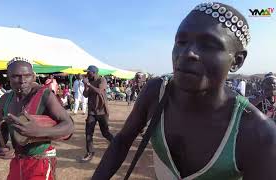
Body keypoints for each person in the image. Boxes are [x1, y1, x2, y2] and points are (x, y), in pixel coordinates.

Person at [93, 2, 276, 180]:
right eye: (181, 41)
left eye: (209, 45)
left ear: (237, 61)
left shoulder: (257, 134)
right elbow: (122, 141)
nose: (188, 53)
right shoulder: (156, 92)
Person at [0, 57, 74, 180]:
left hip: (40, 161)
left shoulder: (44, 95)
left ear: (33, 77)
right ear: (8, 76)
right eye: (16, 76)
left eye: (27, 75)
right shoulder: (5, 99)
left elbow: (69, 126)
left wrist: (38, 131)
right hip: (17, 161)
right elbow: (0, 132)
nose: (22, 80)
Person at [79, 65, 114, 163]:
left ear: (94, 72)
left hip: (102, 111)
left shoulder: (101, 80)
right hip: (92, 112)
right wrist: (86, 85)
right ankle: (90, 152)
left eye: (88, 72)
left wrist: (89, 84)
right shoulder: (89, 81)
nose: (87, 74)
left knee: (105, 133)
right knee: (88, 133)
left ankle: (116, 144)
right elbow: (85, 95)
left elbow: (99, 91)